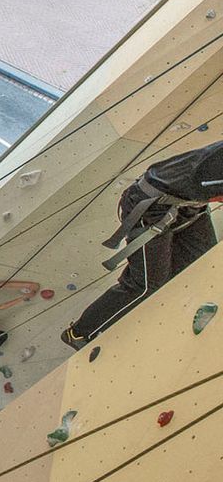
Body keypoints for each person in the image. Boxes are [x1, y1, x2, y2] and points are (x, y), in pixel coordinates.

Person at [63, 141, 221, 349]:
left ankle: (166, 309)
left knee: (197, 265)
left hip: (185, 203)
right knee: (145, 285)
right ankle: (78, 332)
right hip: (152, 207)